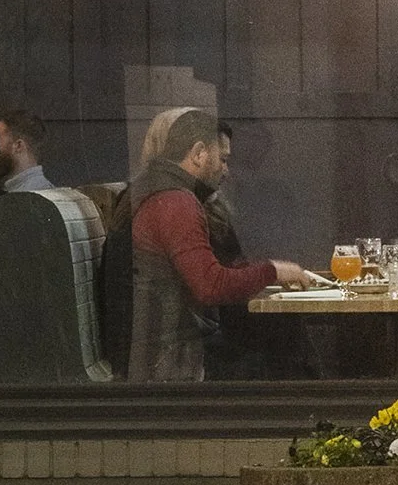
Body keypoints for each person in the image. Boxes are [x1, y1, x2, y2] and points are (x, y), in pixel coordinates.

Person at [120, 108, 315, 383]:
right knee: (286, 339)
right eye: (223, 159)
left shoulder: (160, 192)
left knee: (284, 329)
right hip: (173, 356)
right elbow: (209, 286)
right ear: (199, 153)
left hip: (169, 344)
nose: (226, 169)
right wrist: (273, 271)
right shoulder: (176, 202)